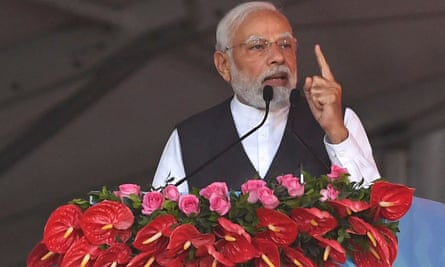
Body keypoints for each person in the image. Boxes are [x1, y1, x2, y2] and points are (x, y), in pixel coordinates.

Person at [152, 1, 380, 193]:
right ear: (223, 65)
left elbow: (378, 216)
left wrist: (336, 134)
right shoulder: (190, 138)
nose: (278, 57)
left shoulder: (341, 121)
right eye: (258, 46)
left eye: (285, 45)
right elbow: (158, 230)